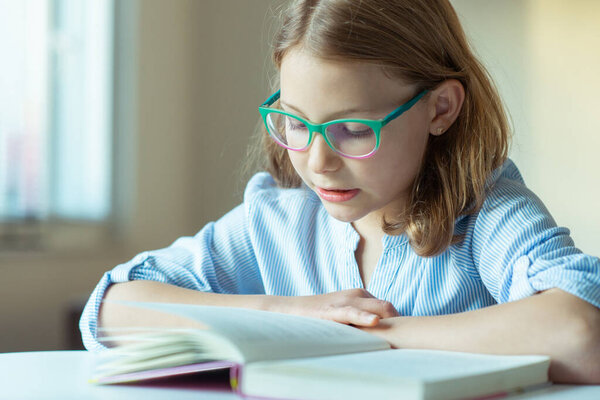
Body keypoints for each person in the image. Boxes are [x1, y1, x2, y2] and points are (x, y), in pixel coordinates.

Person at [80, 0, 600, 383]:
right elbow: (109, 310)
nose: (317, 162)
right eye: (297, 124)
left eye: (353, 130)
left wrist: (364, 336)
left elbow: (582, 333)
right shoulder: (277, 221)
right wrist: (290, 316)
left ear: (440, 109)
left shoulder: (487, 212)